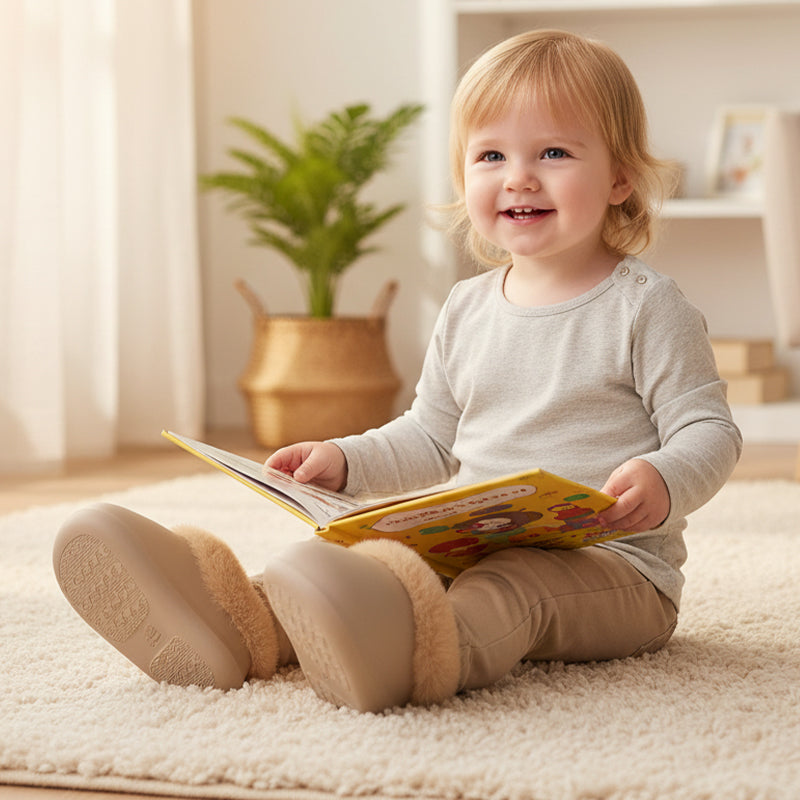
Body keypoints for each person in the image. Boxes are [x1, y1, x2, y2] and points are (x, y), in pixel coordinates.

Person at [53, 29, 742, 713]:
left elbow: (709, 428)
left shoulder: (645, 307)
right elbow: (430, 439)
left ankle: (415, 659)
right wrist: (343, 460)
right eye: (491, 155)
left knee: (513, 588)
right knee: (366, 570)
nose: (518, 177)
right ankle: (235, 627)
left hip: (616, 572)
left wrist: (665, 477)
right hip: (474, 547)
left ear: (621, 176)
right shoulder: (469, 308)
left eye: (554, 152)